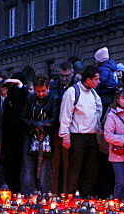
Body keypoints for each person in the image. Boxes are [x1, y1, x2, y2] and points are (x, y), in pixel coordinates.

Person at [59, 65, 103, 197]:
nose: (98, 82)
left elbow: (97, 114)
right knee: (75, 168)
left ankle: (87, 194)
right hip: (77, 136)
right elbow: (65, 114)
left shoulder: (94, 93)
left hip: (91, 136)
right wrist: (65, 136)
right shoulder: (72, 92)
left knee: (90, 168)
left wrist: (99, 134)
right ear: (88, 79)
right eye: (96, 79)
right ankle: (71, 195)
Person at [20, 74, 59, 193]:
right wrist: (34, 125)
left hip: (48, 136)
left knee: (46, 167)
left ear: (48, 88)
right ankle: (27, 193)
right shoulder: (30, 98)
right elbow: (23, 116)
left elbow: (55, 118)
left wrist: (41, 125)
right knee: (28, 166)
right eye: (38, 91)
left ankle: (45, 193)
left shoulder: (55, 98)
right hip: (31, 134)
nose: (40, 94)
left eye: (43, 91)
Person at [50, 61, 76, 193]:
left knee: (68, 164)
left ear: (72, 73)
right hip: (55, 128)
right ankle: (55, 191)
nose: (64, 79)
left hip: (71, 129)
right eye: (62, 76)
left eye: (67, 76)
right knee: (55, 164)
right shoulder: (53, 86)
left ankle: (67, 192)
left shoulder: (76, 87)